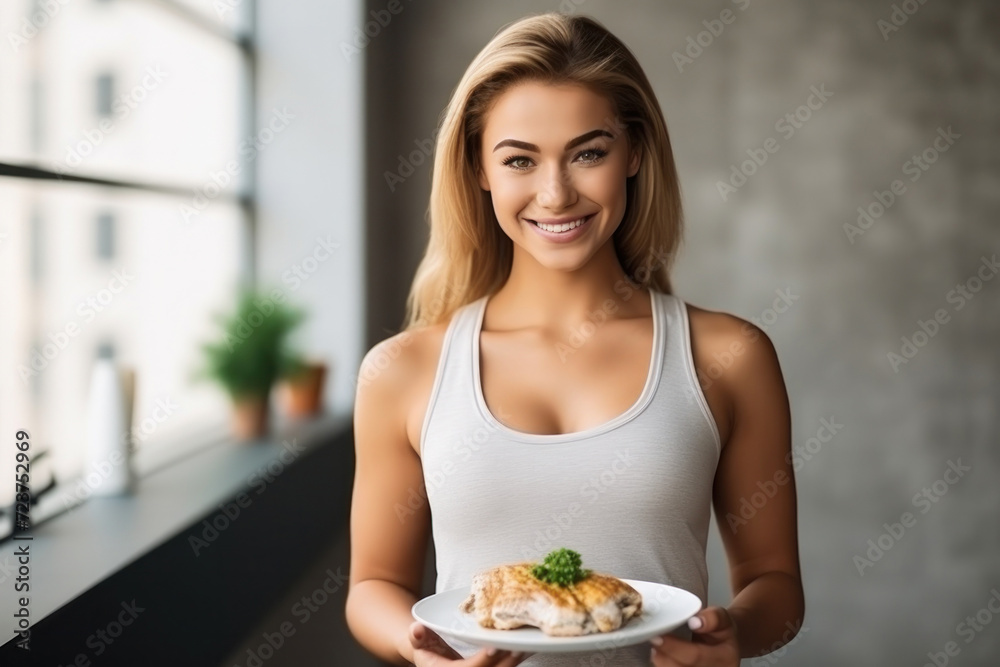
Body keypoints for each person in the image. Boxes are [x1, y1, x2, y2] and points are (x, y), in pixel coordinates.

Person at [346, 12, 803, 667]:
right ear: (480, 167)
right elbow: (372, 586)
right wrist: (419, 652)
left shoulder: (729, 356)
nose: (555, 193)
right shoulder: (401, 370)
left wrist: (736, 632)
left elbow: (777, 584)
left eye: (589, 152)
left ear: (635, 153)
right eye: (519, 159)